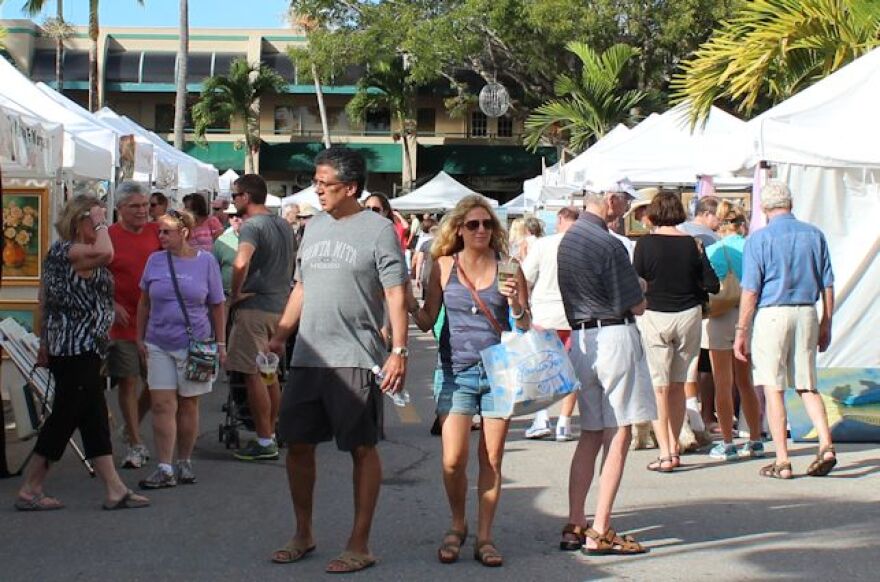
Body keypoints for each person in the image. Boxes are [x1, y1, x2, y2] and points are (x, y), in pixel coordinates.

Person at [267, 147, 409, 573]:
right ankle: (303, 532)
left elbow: (396, 292)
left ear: (350, 187)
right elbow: (301, 288)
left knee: (361, 448)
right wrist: (279, 335)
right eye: (315, 181)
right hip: (309, 355)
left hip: (356, 357)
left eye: (324, 183)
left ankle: (359, 543)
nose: (317, 189)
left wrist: (399, 351)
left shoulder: (378, 229)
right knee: (297, 444)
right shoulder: (310, 228)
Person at [407, 195, 531, 567]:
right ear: (458, 229)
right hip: (455, 370)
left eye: (487, 224)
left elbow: (524, 324)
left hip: (498, 372)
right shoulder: (443, 265)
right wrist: (402, 301)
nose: (481, 230)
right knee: (452, 459)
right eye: (473, 224)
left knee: (491, 458)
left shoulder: (509, 267)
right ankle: (458, 524)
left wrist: (515, 306)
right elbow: (428, 319)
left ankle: (486, 536)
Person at [14, 196, 150, 511]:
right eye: (96, 221)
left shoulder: (74, 254)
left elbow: (50, 296)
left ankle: (115, 489)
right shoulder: (67, 250)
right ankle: (31, 487)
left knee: (93, 418)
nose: (101, 227)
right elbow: (106, 253)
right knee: (65, 416)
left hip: (85, 346)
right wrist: (103, 223)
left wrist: (107, 307)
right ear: (81, 222)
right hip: (75, 347)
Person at [557, 191, 654, 554]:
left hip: (583, 337)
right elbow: (638, 305)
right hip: (614, 334)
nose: (627, 206)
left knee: (590, 433)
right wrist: (641, 286)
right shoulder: (610, 244)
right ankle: (600, 528)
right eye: (625, 200)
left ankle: (575, 521)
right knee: (619, 432)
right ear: (610, 200)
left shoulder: (568, 240)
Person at [734, 182, 836, 480]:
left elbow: (751, 290)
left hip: (772, 313)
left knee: (772, 385)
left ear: (765, 209)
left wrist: (742, 329)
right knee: (807, 384)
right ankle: (826, 445)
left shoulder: (759, 239)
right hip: (806, 310)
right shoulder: (814, 234)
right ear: (790, 204)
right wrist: (826, 321)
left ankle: (782, 459)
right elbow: (827, 283)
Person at [136, 209, 226, 488]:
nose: (160, 236)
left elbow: (217, 304)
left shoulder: (206, 262)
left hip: (195, 344)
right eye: (159, 232)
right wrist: (140, 338)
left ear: (184, 232)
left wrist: (220, 343)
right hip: (159, 341)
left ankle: (184, 460)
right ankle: (164, 466)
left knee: (188, 403)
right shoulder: (154, 260)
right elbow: (144, 303)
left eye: (167, 232)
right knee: (162, 404)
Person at [633, 192, 719, 473]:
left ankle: (667, 450)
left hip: (656, 314)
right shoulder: (693, 245)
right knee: (679, 385)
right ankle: (676, 446)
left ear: (654, 213)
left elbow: (638, 281)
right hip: (688, 316)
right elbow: (711, 283)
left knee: (658, 387)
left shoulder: (645, 244)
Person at [226, 174, 295, 462]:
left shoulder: (252, 226)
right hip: (279, 307)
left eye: (234, 196)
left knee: (253, 373)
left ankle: (265, 439)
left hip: (255, 308)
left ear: (246, 197)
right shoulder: (282, 224)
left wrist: (235, 291)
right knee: (270, 375)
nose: (233, 202)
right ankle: (274, 431)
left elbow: (241, 260)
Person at [107, 181, 161, 470]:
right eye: (135, 206)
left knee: (156, 382)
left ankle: (131, 427)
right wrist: (110, 304)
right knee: (128, 380)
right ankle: (136, 443)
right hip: (124, 322)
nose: (143, 211)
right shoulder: (109, 237)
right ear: (119, 210)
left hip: (155, 322)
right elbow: (95, 275)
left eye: (145, 205)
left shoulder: (157, 233)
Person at [704, 203, 764, 461]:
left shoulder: (713, 249)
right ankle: (755, 438)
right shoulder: (751, 246)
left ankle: (727, 441)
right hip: (747, 315)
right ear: (742, 224)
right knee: (746, 382)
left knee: (722, 383)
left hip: (720, 315)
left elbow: (708, 283)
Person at [521, 207, 580, 441]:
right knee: (571, 371)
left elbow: (524, 276)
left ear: (561, 219)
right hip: (574, 315)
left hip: (545, 314)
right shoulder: (582, 245)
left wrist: (524, 305)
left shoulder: (543, 245)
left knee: (542, 370)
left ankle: (541, 418)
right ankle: (564, 423)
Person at [680, 196, 722, 432]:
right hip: (701, 307)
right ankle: (704, 416)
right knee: (703, 364)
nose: (719, 222)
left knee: (684, 366)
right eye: (717, 216)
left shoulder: (679, 230)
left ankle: (690, 415)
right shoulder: (712, 239)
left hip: (676, 305)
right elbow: (713, 278)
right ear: (706, 214)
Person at [213, 213, 242, 297]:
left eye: (239, 215)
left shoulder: (262, 239)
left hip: (252, 299)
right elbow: (213, 271)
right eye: (231, 216)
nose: (235, 219)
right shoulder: (221, 241)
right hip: (225, 297)